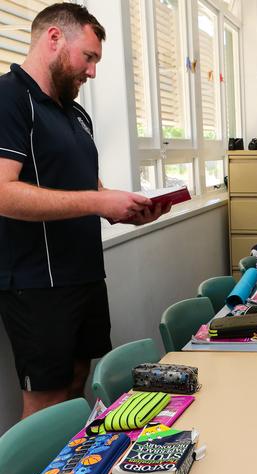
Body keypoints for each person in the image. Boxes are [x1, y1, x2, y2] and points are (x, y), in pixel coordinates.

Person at [0, 4, 169, 418]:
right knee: (46, 407)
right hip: (37, 282)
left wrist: (124, 207)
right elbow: (3, 193)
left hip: (85, 274)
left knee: (77, 392)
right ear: (54, 38)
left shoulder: (76, 113)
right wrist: (98, 202)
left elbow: (89, 188)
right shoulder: (9, 98)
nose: (91, 71)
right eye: (88, 57)